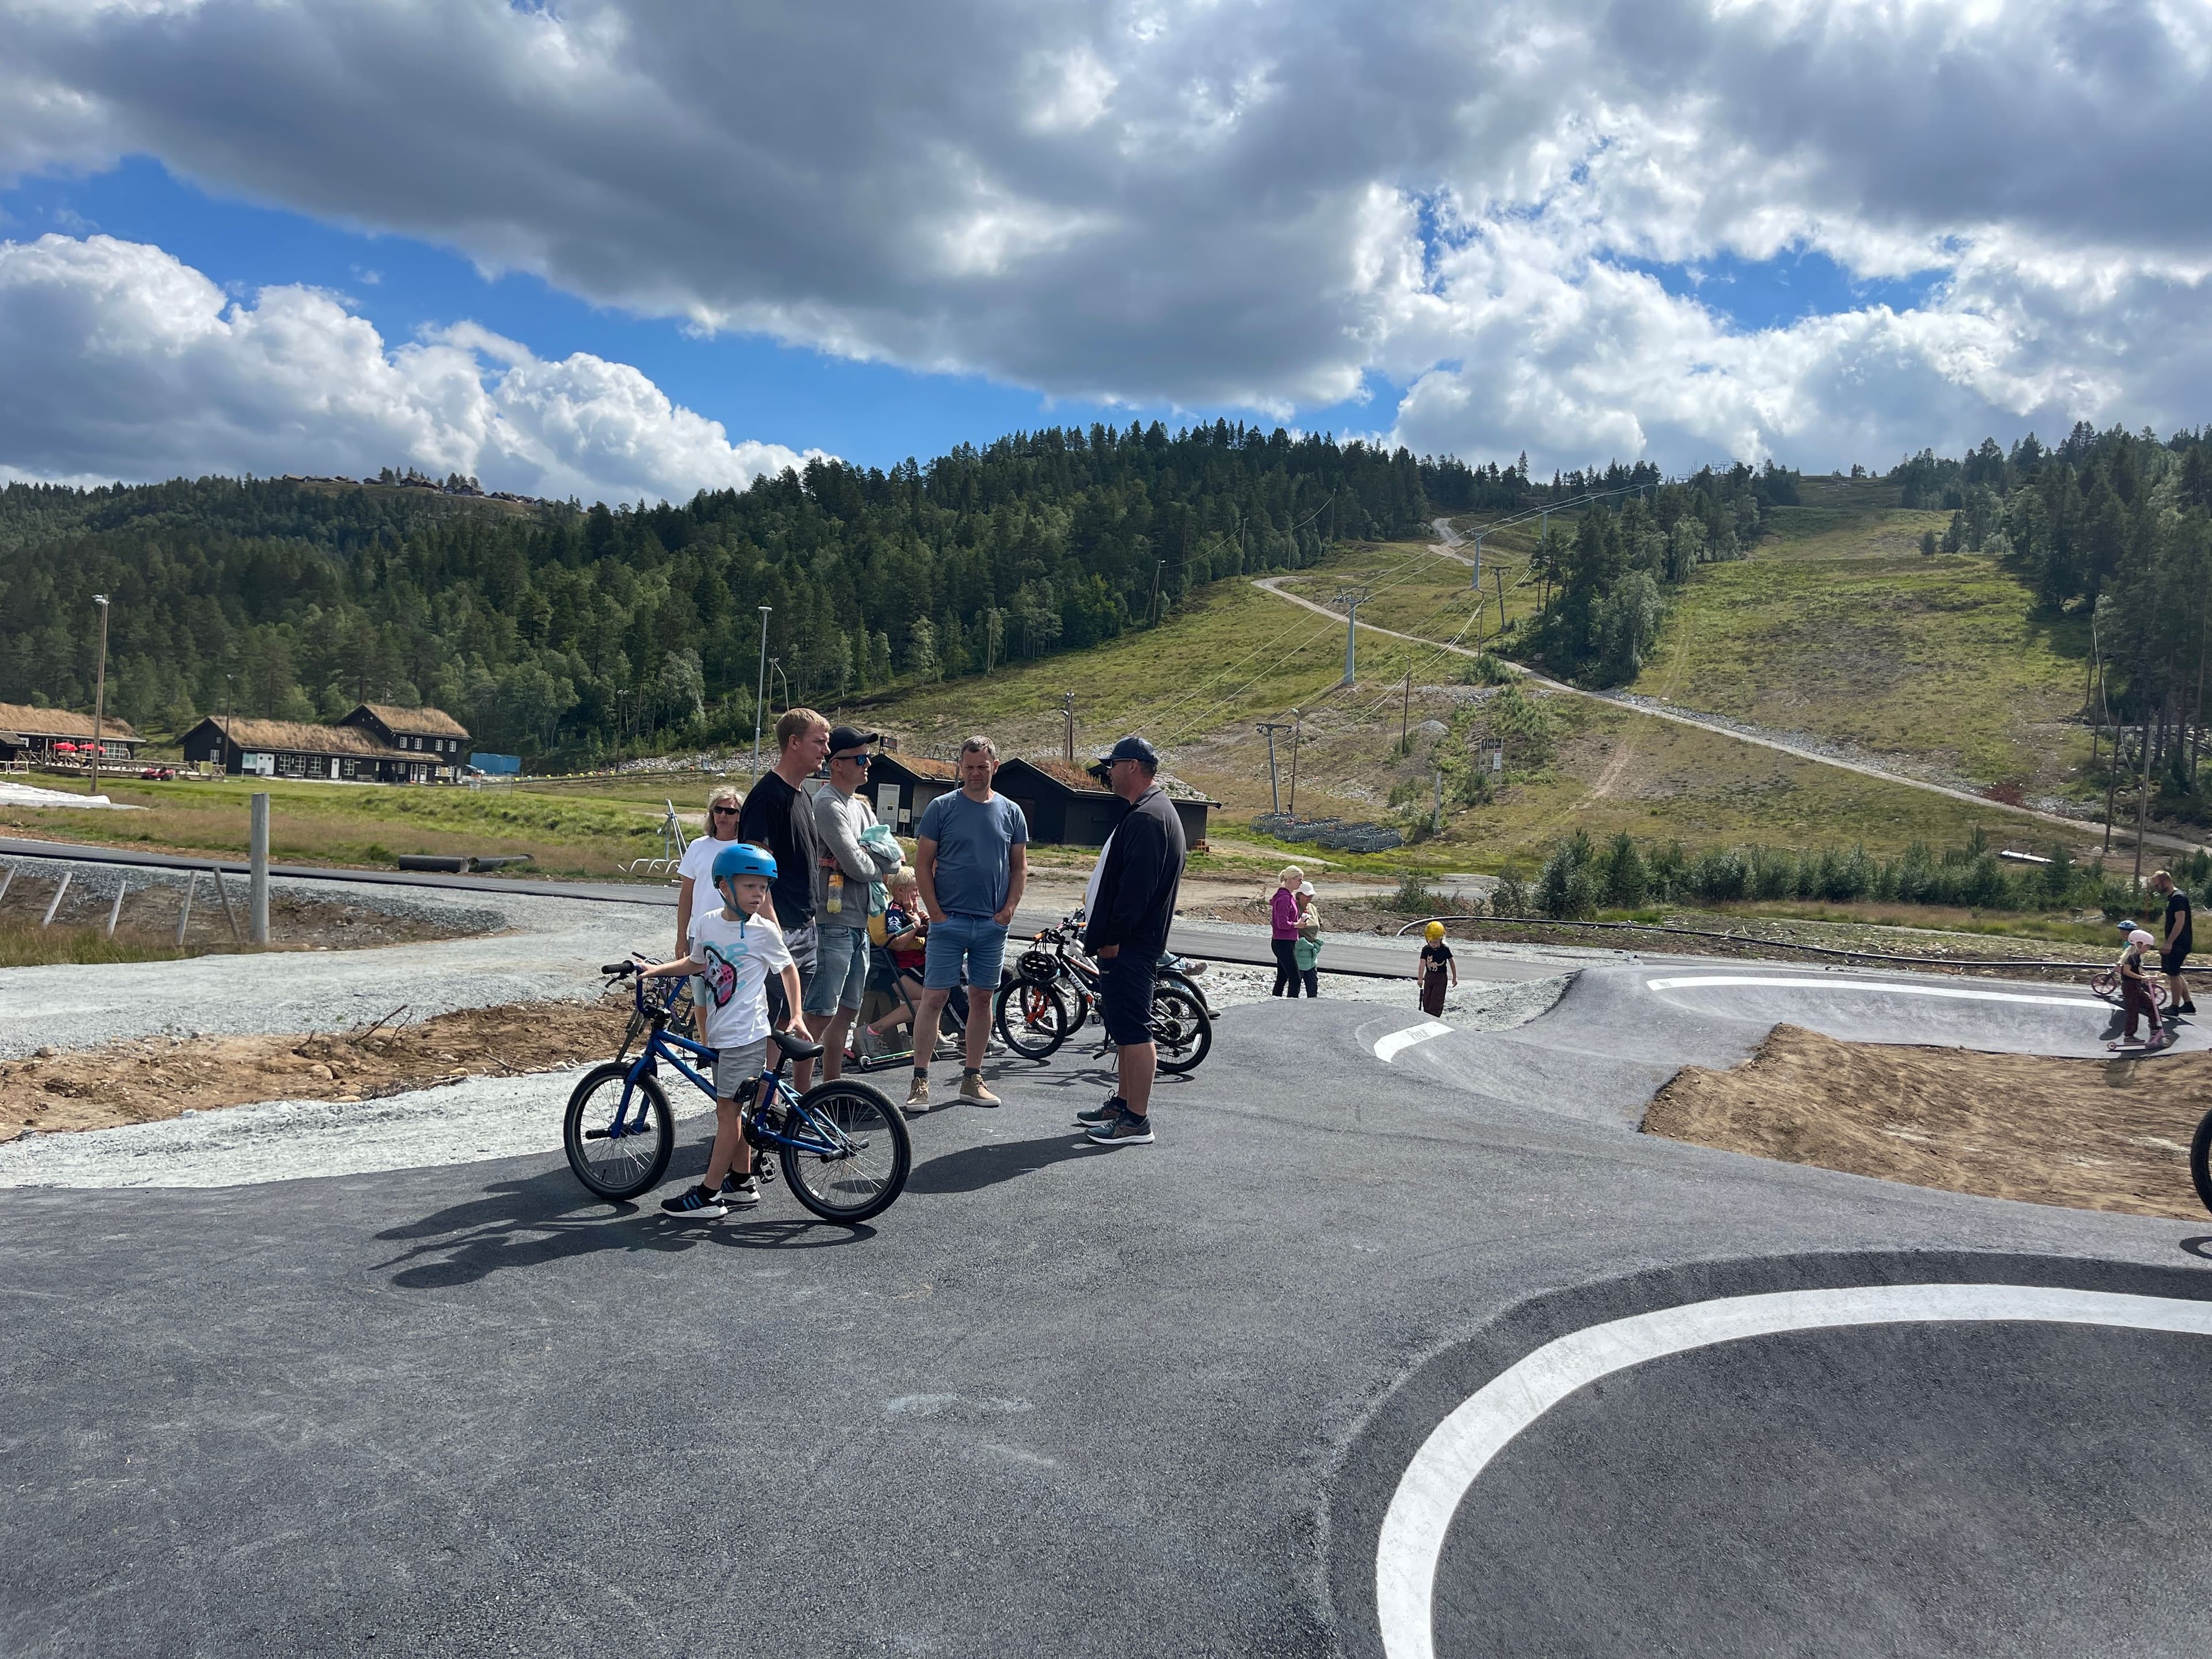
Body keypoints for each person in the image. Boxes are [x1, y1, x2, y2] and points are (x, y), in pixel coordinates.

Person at [634, 843, 805, 1217]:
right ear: (724, 886)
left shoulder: (764, 932)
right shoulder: (708, 923)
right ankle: (741, 1182)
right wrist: (656, 970)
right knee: (732, 1112)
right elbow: (695, 963)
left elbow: (788, 970)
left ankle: (708, 1195)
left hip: (747, 1036)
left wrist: (796, 1015)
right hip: (720, 1035)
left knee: (727, 1115)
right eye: (750, 886)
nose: (759, 894)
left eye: (763, 888)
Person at [1077, 736, 1187, 1146]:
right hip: (1132, 944)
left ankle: (1136, 1120)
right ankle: (1123, 1105)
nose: (1108, 771)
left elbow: (1135, 892)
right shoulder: (1150, 810)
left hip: (1130, 945)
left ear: (1134, 766)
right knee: (1124, 1028)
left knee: (1136, 1031)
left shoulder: (1148, 817)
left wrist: (1112, 938)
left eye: (1113, 764)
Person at [908, 735, 1028, 1111]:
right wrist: (936, 914)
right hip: (948, 923)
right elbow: (922, 865)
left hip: (991, 927)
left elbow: (1019, 867)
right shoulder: (941, 808)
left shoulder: (1012, 812)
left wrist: (1008, 912)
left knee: (982, 999)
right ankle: (920, 1081)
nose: (975, 773)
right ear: (961, 767)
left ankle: (972, 1079)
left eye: (982, 767)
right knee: (934, 999)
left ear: (995, 767)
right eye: (969, 767)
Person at [737, 708, 830, 1089]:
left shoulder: (803, 794)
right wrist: (773, 929)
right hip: (780, 929)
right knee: (765, 1022)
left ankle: (770, 1107)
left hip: (805, 927)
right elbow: (755, 872)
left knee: (783, 1022)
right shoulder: (767, 797)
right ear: (793, 743)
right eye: (818, 742)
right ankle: (757, 1105)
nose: (826, 750)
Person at [809, 725, 906, 1080]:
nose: (869, 764)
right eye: (861, 759)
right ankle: (803, 1094)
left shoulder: (861, 808)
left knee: (847, 1012)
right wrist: (866, 858)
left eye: (868, 758)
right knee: (820, 1014)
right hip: (832, 923)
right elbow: (860, 867)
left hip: (859, 923)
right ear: (836, 764)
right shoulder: (827, 804)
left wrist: (865, 857)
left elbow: (895, 860)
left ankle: (830, 1089)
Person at [864, 869, 930, 1046]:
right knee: (927, 1001)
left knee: (934, 996)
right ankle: (873, 1030)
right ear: (901, 891)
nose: (918, 894)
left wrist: (920, 917)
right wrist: (916, 924)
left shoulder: (905, 910)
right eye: (915, 890)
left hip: (894, 967)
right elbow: (897, 942)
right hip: (884, 970)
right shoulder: (893, 912)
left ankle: (930, 1033)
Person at [2111, 925, 2169, 1052]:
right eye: (2147, 946)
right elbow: (2126, 971)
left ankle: (2156, 1031)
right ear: (2139, 943)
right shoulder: (2131, 955)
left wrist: (2147, 976)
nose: (2148, 949)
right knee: (2133, 1011)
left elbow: (2137, 971)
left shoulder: (2137, 956)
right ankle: (2129, 1036)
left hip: (2136, 986)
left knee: (2152, 1006)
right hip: (2130, 987)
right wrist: (2141, 978)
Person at [2150, 870, 2198, 1020]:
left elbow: (2180, 921)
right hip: (2177, 942)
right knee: (2174, 972)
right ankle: (2188, 1005)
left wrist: (2169, 942)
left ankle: (2174, 1007)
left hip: (2179, 942)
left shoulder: (2178, 898)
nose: (2156, 889)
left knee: (2174, 974)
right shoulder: (2172, 898)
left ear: (2166, 881)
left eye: (2157, 885)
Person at [1269, 866, 1304, 997]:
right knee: (1295, 978)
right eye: (1299, 880)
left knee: (1282, 977)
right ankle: (1292, 1005)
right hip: (1283, 942)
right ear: (1290, 880)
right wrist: (1297, 925)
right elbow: (1282, 923)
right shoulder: (1285, 898)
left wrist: (1298, 922)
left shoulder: (1288, 897)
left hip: (1285, 941)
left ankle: (1275, 1001)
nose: (1301, 883)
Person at [1419, 919, 1457, 1017]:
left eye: (1435, 942)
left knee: (1437, 999)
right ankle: (1426, 1015)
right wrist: (1420, 979)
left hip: (1441, 977)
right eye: (1431, 942)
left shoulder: (1445, 949)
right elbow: (1422, 964)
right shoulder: (1426, 950)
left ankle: (1435, 1016)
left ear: (1441, 939)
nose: (1433, 944)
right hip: (1429, 976)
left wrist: (1454, 977)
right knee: (1426, 999)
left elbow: (1452, 962)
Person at [1294, 879, 1323, 997]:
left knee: (1312, 984)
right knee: (1296, 982)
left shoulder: (1312, 908)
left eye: (1311, 895)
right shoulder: (1294, 908)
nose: (1309, 898)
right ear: (1299, 895)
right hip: (1299, 951)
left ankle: (1312, 1004)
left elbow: (1319, 923)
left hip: (1311, 952)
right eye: (1307, 895)